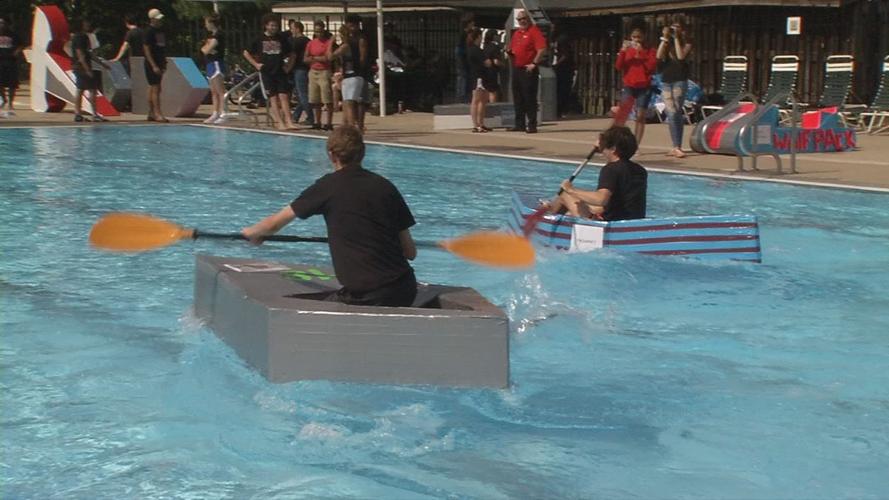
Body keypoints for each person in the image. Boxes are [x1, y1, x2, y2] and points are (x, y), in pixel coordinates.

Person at [241, 125, 418, 307]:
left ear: (332, 155)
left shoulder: (327, 187)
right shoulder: (386, 187)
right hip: (405, 289)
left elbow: (273, 225)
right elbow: (410, 253)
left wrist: (252, 232)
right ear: (362, 153)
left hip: (367, 296)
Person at [546, 126, 647, 221]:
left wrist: (571, 189)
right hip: (631, 222)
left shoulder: (610, 169)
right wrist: (604, 148)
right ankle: (551, 210)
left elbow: (601, 199)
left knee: (564, 194)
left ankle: (545, 222)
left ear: (613, 149)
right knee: (589, 206)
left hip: (608, 226)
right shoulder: (640, 170)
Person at [244, 14, 298, 131]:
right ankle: (279, 122)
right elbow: (246, 53)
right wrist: (256, 64)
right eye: (272, 25)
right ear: (266, 26)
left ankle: (289, 121)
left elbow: (292, 54)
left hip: (280, 71)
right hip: (267, 72)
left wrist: (288, 66)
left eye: (276, 25)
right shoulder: (259, 39)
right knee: (273, 98)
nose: (274, 28)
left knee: (284, 96)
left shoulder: (281, 39)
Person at [615, 20, 656, 145]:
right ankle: (615, 142)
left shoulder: (650, 50)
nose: (636, 40)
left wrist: (641, 54)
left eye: (639, 37)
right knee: (622, 115)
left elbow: (651, 67)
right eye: (634, 37)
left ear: (643, 37)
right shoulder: (627, 50)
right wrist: (622, 51)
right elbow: (618, 66)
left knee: (640, 116)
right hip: (629, 85)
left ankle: (636, 144)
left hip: (644, 86)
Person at [657, 20, 693, 158]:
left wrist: (676, 38)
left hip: (679, 81)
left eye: (677, 28)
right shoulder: (667, 44)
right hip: (666, 81)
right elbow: (659, 56)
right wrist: (664, 38)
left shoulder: (687, 43)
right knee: (671, 113)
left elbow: (680, 56)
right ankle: (675, 146)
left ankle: (677, 146)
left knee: (676, 113)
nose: (674, 30)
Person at [507, 9, 547, 134]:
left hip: (527, 69)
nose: (522, 21)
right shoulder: (517, 33)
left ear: (528, 19)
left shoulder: (534, 31)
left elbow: (542, 49)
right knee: (518, 97)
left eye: (524, 18)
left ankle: (532, 124)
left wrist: (534, 63)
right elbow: (513, 49)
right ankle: (519, 124)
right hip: (517, 68)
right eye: (519, 19)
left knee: (529, 97)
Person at [330, 24, 368, 128]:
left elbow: (330, 56)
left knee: (349, 103)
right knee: (347, 103)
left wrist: (330, 43)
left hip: (352, 76)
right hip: (351, 76)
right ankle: (346, 126)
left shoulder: (346, 45)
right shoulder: (355, 42)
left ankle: (351, 127)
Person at [71, 19, 109, 122]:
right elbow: (81, 54)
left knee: (80, 89)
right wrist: (87, 69)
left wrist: (102, 64)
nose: (88, 25)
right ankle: (94, 114)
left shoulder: (82, 37)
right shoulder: (80, 37)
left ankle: (78, 113)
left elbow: (89, 53)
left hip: (79, 66)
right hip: (82, 66)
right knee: (91, 89)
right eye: (85, 23)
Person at [343, 14, 371, 130]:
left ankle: (360, 124)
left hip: (360, 72)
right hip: (350, 71)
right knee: (351, 100)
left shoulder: (361, 38)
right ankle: (353, 123)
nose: (350, 27)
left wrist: (358, 69)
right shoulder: (348, 38)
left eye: (351, 25)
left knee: (360, 100)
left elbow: (363, 57)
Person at [305, 20, 333, 131]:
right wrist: (314, 58)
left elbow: (327, 58)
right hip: (313, 71)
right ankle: (317, 121)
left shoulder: (327, 43)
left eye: (320, 31)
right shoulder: (311, 43)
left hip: (324, 71)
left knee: (327, 98)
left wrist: (314, 58)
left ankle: (329, 122)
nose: (318, 33)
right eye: (316, 31)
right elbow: (305, 58)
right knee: (315, 99)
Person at [143, 8, 168, 122]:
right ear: (152, 19)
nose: (160, 21)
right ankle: (157, 113)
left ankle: (151, 112)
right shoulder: (149, 31)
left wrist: (163, 61)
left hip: (159, 61)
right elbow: (146, 49)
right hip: (152, 63)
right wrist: (153, 65)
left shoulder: (161, 31)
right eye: (157, 19)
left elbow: (161, 47)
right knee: (155, 88)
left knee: (154, 87)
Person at [287, 20, 313, 127]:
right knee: (301, 94)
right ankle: (295, 116)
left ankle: (311, 117)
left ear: (297, 29)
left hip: (299, 69)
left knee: (302, 95)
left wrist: (288, 68)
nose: (291, 30)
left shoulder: (298, 41)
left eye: (292, 28)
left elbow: (292, 55)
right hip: (306, 68)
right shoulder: (307, 40)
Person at [200, 14, 225, 124]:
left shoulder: (218, 36)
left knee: (220, 91)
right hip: (209, 63)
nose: (205, 25)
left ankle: (223, 112)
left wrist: (207, 48)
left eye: (206, 23)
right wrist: (207, 48)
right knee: (213, 91)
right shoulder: (210, 36)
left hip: (216, 64)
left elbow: (206, 50)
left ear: (211, 23)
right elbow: (203, 49)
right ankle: (215, 113)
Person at [466, 28, 492, 133]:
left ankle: (480, 123)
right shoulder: (476, 50)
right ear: (478, 37)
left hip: (479, 76)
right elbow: (487, 62)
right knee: (478, 101)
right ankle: (477, 125)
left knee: (483, 100)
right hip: (478, 77)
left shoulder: (472, 49)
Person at [0, 16, 23, 115]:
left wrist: (17, 52)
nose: (1, 25)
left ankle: (10, 103)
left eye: (3, 23)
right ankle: (4, 99)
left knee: (12, 84)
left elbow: (21, 44)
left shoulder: (13, 35)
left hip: (10, 61)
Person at [454, 13, 475, 104]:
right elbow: (459, 48)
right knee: (462, 77)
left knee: (465, 77)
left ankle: (464, 95)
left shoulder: (466, 33)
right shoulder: (463, 34)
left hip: (464, 59)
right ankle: (461, 97)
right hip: (462, 59)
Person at [482, 29, 503, 103]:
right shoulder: (495, 47)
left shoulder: (485, 46)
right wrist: (503, 64)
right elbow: (496, 61)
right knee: (493, 91)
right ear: (494, 36)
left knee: (487, 90)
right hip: (493, 72)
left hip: (485, 71)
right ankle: (493, 106)